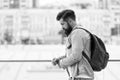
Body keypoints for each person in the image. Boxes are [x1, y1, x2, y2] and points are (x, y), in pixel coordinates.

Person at [51, 9, 94, 80]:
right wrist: (59, 59)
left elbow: (76, 57)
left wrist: (61, 63)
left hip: (82, 77)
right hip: (78, 76)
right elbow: (73, 53)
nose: (62, 27)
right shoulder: (76, 32)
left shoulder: (77, 33)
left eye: (63, 24)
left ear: (70, 21)